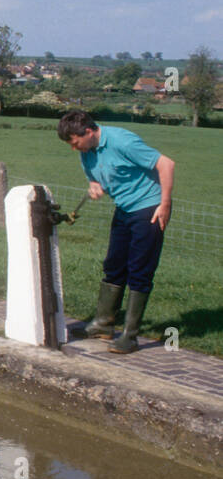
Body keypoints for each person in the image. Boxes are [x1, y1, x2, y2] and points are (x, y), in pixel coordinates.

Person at [58, 110, 173, 354]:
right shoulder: (87, 150)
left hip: (148, 209)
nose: (73, 148)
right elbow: (94, 176)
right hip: (123, 209)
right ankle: (103, 324)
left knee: (139, 270)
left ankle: (130, 336)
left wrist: (165, 205)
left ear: (88, 132)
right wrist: (94, 186)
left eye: (74, 142)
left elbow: (166, 164)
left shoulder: (123, 141)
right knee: (114, 265)